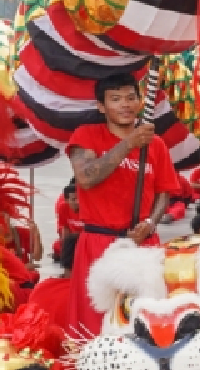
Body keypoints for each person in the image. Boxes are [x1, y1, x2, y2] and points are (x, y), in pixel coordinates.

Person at [66, 73, 186, 285]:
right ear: (101, 106)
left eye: (131, 98)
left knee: (141, 312)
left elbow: (163, 193)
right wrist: (128, 144)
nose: (125, 105)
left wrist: (150, 223)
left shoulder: (156, 144)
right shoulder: (85, 135)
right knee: (96, 314)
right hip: (98, 242)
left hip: (142, 242)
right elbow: (85, 178)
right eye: (116, 99)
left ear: (140, 102)